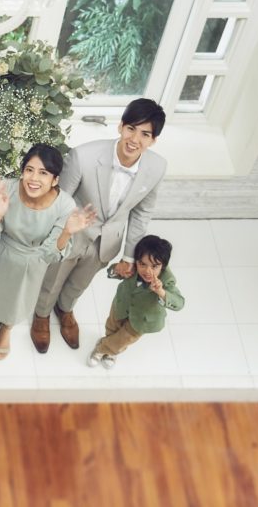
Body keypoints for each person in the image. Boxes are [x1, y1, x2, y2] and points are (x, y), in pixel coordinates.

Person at [31, 98, 168, 354]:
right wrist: (59, 234)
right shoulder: (83, 156)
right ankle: (41, 313)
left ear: (153, 140)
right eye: (131, 129)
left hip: (108, 240)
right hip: (74, 232)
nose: (134, 139)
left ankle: (65, 308)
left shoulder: (158, 167)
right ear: (121, 126)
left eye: (145, 134)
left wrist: (129, 256)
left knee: (81, 281)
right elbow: (59, 200)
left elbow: (142, 212)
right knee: (54, 276)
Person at [0, 144, 96, 362]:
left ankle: (6, 330)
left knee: (17, 300)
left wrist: (66, 232)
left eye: (43, 173)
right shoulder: (5, 189)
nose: (34, 178)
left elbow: (50, 256)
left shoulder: (64, 205)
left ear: (55, 180)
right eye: (29, 170)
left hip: (34, 261)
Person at [87, 235, 185, 369]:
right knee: (111, 327)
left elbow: (179, 303)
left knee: (123, 339)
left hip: (142, 319)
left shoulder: (167, 280)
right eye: (142, 264)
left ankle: (103, 349)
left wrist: (161, 292)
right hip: (121, 304)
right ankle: (110, 348)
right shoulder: (132, 265)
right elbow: (113, 271)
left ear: (163, 266)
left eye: (154, 266)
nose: (147, 271)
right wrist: (116, 269)